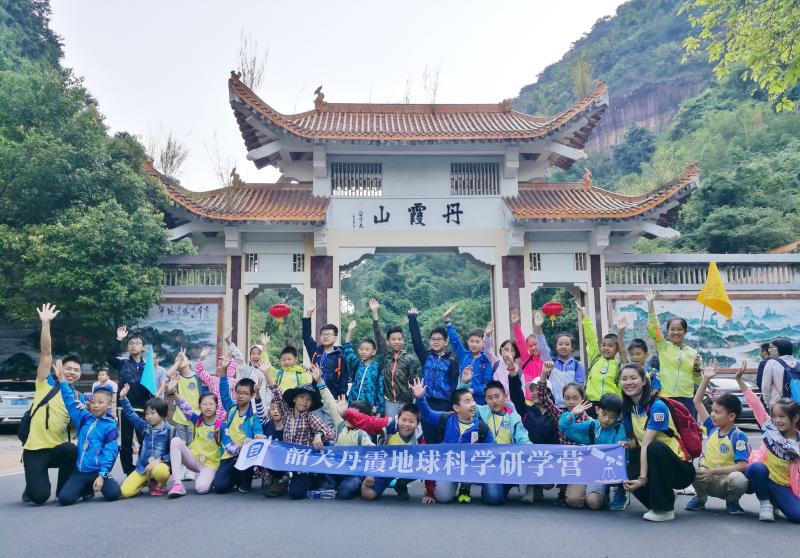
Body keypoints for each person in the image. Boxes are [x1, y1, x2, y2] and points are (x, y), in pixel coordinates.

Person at [620, 363, 696, 522]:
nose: (628, 382)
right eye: (624, 379)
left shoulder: (657, 407)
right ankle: (662, 500)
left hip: (679, 468)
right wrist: (627, 444)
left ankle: (664, 510)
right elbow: (637, 443)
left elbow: (646, 444)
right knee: (626, 470)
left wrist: (642, 479)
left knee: (654, 448)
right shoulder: (628, 409)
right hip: (653, 461)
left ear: (643, 381)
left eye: (633, 378)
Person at [22, 304, 81, 505]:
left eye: (76, 370)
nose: (72, 373)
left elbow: (87, 424)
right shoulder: (45, 383)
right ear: (60, 369)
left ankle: (63, 490)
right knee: (39, 497)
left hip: (57, 450)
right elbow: (46, 352)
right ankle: (32, 481)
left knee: (71, 449)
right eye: (69, 368)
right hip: (35, 451)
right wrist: (46, 323)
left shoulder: (77, 397)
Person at [411, 378, 501, 505]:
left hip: (473, 467)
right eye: (467, 401)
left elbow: (491, 453)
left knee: (494, 498)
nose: (472, 404)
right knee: (443, 497)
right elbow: (427, 414)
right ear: (456, 407)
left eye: (472, 400)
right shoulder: (446, 418)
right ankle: (451, 485)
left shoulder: (482, 428)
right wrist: (420, 398)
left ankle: (467, 486)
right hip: (449, 466)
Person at [261, 362, 335, 499]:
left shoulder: (310, 417)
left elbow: (330, 433)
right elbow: (276, 391)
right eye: (301, 397)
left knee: (295, 494)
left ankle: (312, 478)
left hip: (303, 462)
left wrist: (318, 435)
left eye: (308, 400)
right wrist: (266, 372)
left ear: (311, 404)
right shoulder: (286, 413)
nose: (304, 401)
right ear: (294, 399)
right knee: (268, 458)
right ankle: (283, 478)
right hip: (287, 458)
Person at [738, 362, 800, 523]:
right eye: (775, 416)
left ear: (795, 418)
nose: (777, 420)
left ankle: (775, 501)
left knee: (797, 516)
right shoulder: (769, 427)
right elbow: (755, 404)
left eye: (782, 417)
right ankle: (765, 504)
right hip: (759, 475)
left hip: (782, 485)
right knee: (757, 468)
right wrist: (740, 381)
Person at [685, 361, 750, 514]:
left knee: (739, 479)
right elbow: (697, 402)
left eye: (717, 412)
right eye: (712, 411)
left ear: (731, 416)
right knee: (691, 469)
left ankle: (732, 502)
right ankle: (700, 499)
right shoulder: (712, 428)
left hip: (726, 481)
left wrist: (714, 471)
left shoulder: (738, 436)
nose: (712, 415)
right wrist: (706, 378)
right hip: (708, 479)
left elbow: (742, 465)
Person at [342, 403, 436, 504]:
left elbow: (429, 464)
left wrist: (430, 493)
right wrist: (346, 414)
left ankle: (401, 484)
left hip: (407, 467)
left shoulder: (421, 436)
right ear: (398, 419)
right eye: (403, 420)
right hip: (386, 466)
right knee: (367, 494)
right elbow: (368, 421)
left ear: (417, 423)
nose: (406, 424)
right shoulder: (389, 424)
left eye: (411, 421)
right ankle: (366, 481)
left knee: (423, 463)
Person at [559, 394, 628, 510]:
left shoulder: (619, 430)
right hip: (585, 467)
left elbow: (619, 458)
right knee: (573, 501)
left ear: (618, 416)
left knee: (593, 503)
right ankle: (589, 492)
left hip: (604, 471)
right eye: (604, 414)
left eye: (612, 416)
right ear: (597, 410)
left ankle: (607, 492)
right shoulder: (591, 425)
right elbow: (565, 428)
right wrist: (573, 414)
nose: (606, 419)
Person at [538, 361, 592, 507]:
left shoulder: (590, 421)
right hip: (564, 461)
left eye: (575, 398)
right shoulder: (561, 415)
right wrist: (544, 374)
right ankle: (562, 489)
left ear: (582, 398)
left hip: (582, 465)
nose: (571, 402)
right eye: (567, 398)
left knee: (574, 501)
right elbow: (543, 398)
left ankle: (586, 489)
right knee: (543, 480)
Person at [56, 383, 120, 505]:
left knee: (113, 494)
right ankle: (86, 488)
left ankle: (104, 479)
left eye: (100, 402)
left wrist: (102, 475)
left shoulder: (110, 426)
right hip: (81, 471)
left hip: (98, 471)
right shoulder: (84, 417)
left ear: (109, 404)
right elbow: (69, 401)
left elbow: (110, 452)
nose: (95, 405)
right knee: (64, 499)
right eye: (92, 402)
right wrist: (62, 381)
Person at [318, 370, 377, 499]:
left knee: (345, 492)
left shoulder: (363, 435)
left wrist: (370, 475)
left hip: (353, 473)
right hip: (336, 468)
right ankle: (330, 484)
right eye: (348, 413)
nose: (348, 417)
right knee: (325, 448)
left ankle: (349, 485)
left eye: (353, 416)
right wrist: (319, 381)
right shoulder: (341, 424)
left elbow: (374, 453)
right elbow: (330, 402)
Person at [644, 289, 702, 416]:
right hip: (666, 397)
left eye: (679, 329)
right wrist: (650, 304)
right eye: (672, 329)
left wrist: (697, 368)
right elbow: (653, 327)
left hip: (687, 399)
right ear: (668, 331)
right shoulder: (663, 346)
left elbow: (698, 380)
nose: (676, 332)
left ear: (685, 331)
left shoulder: (693, 353)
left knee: (687, 429)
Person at [408, 307, 460, 444]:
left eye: (439, 339)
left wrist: (453, 406)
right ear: (430, 342)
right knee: (428, 438)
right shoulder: (426, 357)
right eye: (433, 339)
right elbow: (416, 341)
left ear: (446, 342)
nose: (436, 342)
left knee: (443, 438)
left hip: (444, 405)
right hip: (426, 403)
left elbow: (454, 386)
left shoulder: (452, 362)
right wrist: (412, 318)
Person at [214, 361, 265, 493]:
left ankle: (245, 480)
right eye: (238, 392)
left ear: (252, 395)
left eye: (244, 393)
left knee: (244, 484)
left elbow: (259, 433)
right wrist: (223, 371)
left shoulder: (254, 417)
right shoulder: (231, 409)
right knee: (219, 487)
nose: (240, 396)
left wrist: (256, 438)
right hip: (229, 453)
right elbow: (224, 393)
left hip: (244, 455)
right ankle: (235, 478)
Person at [508, 369, 558, 503]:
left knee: (548, 483)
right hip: (527, 456)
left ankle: (539, 486)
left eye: (538, 389)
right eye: (532, 390)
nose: (535, 393)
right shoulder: (525, 410)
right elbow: (516, 395)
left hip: (548, 458)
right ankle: (530, 487)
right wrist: (512, 372)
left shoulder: (556, 413)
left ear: (548, 393)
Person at [167, 391, 228, 497]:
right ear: (200, 407)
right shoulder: (196, 421)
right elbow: (184, 406)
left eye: (211, 404)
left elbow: (229, 444)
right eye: (204, 404)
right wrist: (174, 394)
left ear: (217, 407)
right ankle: (177, 484)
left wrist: (241, 447)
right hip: (193, 460)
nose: (207, 407)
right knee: (175, 441)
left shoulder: (221, 425)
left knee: (201, 488)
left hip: (210, 465)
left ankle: (210, 479)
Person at [118, 385, 174, 498]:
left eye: (153, 413)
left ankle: (159, 483)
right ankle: (146, 481)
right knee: (125, 492)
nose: (149, 416)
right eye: (147, 413)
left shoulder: (170, 430)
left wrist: (159, 460)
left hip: (159, 466)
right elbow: (131, 414)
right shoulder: (144, 426)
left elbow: (174, 452)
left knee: (162, 473)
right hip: (142, 468)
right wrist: (123, 398)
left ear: (162, 414)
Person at [109, 325, 152, 475]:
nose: (133, 345)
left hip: (142, 408)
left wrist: (151, 408)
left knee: (144, 440)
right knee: (126, 441)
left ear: (143, 347)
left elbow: (151, 390)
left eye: (137, 343)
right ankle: (128, 470)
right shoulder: (123, 363)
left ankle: (141, 468)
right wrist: (118, 339)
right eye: (131, 343)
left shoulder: (147, 366)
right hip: (124, 407)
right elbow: (109, 358)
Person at [369, 297, 420, 419]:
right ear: (388, 341)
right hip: (389, 402)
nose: (397, 341)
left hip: (405, 402)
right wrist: (375, 312)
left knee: (405, 427)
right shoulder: (386, 354)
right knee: (390, 427)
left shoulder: (409, 358)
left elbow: (414, 382)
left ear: (403, 340)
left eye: (399, 339)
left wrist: (415, 401)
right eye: (393, 339)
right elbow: (378, 336)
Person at [444, 304, 494, 405]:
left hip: (479, 402)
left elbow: (487, 384)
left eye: (477, 342)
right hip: (463, 400)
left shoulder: (486, 360)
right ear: (468, 342)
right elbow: (455, 340)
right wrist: (447, 322)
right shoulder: (463, 355)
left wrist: (473, 390)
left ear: (483, 343)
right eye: (472, 341)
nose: (474, 344)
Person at [577, 303, 621, 413]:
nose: (606, 348)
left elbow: (621, 386)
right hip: (591, 402)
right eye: (604, 345)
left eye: (610, 346)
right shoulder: (595, 358)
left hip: (610, 403)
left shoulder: (619, 365)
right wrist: (584, 316)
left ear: (617, 349)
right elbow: (591, 338)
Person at [303, 299, 349, 398]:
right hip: (315, 396)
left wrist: (342, 398)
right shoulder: (315, 352)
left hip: (332, 396)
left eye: (328, 334)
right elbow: (306, 336)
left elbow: (343, 379)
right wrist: (308, 314)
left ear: (335, 337)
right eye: (323, 334)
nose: (325, 336)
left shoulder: (340, 356)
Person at [343, 320, 384, 415]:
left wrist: (378, 408)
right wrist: (350, 330)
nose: (363, 352)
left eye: (367, 349)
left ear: (373, 352)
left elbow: (380, 389)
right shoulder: (356, 364)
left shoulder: (377, 368)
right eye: (361, 349)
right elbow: (347, 349)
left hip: (368, 408)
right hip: (352, 405)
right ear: (358, 350)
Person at [511, 308, 551, 399]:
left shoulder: (546, 358)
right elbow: (520, 341)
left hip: (544, 398)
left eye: (535, 344)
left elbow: (543, 346)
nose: (533, 348)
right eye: (530, 346)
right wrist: (516, 325)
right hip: (529, 398)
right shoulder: (526, 358)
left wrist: (538, 328)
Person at [617, 318, 661, 391]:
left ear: (646, 355)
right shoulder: (628, 369)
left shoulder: (653, 372)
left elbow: (656, 390)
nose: (635, 357)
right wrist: (620, 332)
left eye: (638, 354)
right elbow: (622, 351)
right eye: (632, 354)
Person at [194, 348, 237, 420]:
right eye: (218, 365)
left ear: (230, 367)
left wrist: (230, 413)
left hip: (227, 417)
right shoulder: (212, 380)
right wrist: (201, 358)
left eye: (222, 365)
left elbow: (236, 400)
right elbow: (200, 372)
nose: (219, 367)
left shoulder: (235, 383)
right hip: (213, 417)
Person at [229, 331, 271, 404]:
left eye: (259, 354)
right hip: (248, 406)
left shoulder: (267, 372)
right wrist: (228, 342)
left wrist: (265, 346)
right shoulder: (248, 370)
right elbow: (239, 357)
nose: (255, 356)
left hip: (264, 406)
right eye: (253, 354)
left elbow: (265, 360)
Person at [482, 320, 520, 397]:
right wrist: (487, 335)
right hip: (495, 400)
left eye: (511, 350)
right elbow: (487, 350)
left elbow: (520, 391)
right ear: (501, 350)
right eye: (505, 349)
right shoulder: (496, 362)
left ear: (516, 353)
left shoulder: (519, 370)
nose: (507, 352)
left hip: (511, 403)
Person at [762, 337, 797, 410]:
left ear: (781, 348)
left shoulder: (771, 363)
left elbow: (765, 386)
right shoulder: (798, 363)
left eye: (771, 347)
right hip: (796, 403)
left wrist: (768, 403)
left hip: (779, 405)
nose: (768, 350)